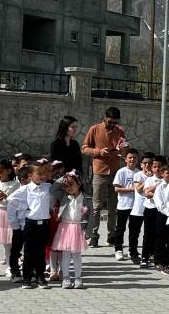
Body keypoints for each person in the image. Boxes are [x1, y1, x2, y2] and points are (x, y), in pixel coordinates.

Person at [81, 107, 127, 248]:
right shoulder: (94, 129)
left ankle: (111, 235)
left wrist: (123, 149)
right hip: (99, 172)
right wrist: (99, 152)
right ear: (104, 117)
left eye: (115, 122)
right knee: (97, 206)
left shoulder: (120, 131)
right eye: (110, 121)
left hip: (115, 171)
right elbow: (84, 148)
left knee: (113, 207)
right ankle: (94, 235)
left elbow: (124, 150)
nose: (112, 124)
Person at [17, 160, 54, 289]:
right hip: (30, 224)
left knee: (41, 252)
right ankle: (27, 278)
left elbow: (60, 189)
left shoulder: (48, 187)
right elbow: (11, 199)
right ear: (30, 175)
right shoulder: (26, 189)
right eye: (39, 173)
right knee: (28, 252)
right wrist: (25, 209)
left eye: (44, 172)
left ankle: (40, 276)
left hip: (44, 224)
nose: (42, 175)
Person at [51, 171, 89, 289]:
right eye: (66, 186)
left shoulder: (86, 198)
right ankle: (66, 277)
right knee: (66, 254)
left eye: (72, 184)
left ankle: (78, 278)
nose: (69, 187)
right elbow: (52, 189)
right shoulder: (64, 196)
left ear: (79, 184)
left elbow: (90, 217)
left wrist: (88, 232)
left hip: (77, 228)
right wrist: (63, 178)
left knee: (77, 255)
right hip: (65, 227)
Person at [112, 147, 140, 261]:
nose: (132, 160)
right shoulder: (121, 172)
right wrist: (131, 189)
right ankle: (118, 250)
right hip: (124, 205)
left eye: (134, 158)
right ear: (125, 159)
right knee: (120, 229)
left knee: (134, 230)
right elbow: (117, 189)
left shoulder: (139, 173)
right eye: (130, 158)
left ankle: (132, 250)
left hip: (136, 206)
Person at [6, 165, 33, 283]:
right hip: (20, 226)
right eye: (30, 178)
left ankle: (29, 271)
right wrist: (16, 227)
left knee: (29, 250)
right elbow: (11, 210)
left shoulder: (34, 191)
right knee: (16, 251)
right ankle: (15, 271)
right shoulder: (18, 193)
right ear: (23, 180)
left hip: (31, 225)